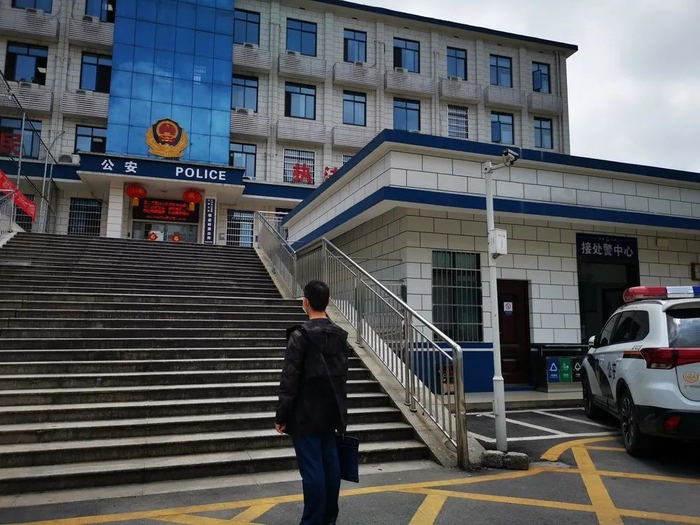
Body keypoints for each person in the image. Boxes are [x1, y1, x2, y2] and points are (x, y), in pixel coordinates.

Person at [275, 280, 350, 525]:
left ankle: (311, 520)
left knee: (312, 469)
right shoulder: (339, 336)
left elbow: (290, 378)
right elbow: (342, 376)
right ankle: (328, 518)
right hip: (331, 412)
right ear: (327, 302)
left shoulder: (300, 336)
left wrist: (281, 415)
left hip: (305, 414)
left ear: (305, 302)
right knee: (330, 465)